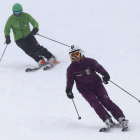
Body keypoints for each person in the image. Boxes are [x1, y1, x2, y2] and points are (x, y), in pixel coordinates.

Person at [66, 45, 128, 129]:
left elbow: (99, 68)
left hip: (96, 84)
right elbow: (69, 80)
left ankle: (120, 118)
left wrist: (104, 74)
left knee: (106, 101)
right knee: (95, 104)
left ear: (80, 53)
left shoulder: (90, 61)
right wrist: (68, 90)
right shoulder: (71, 69)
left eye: (77, 53)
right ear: (70, 56)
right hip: (84, 89)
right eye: (73, 55)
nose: (76, 56)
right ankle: (107, 119)